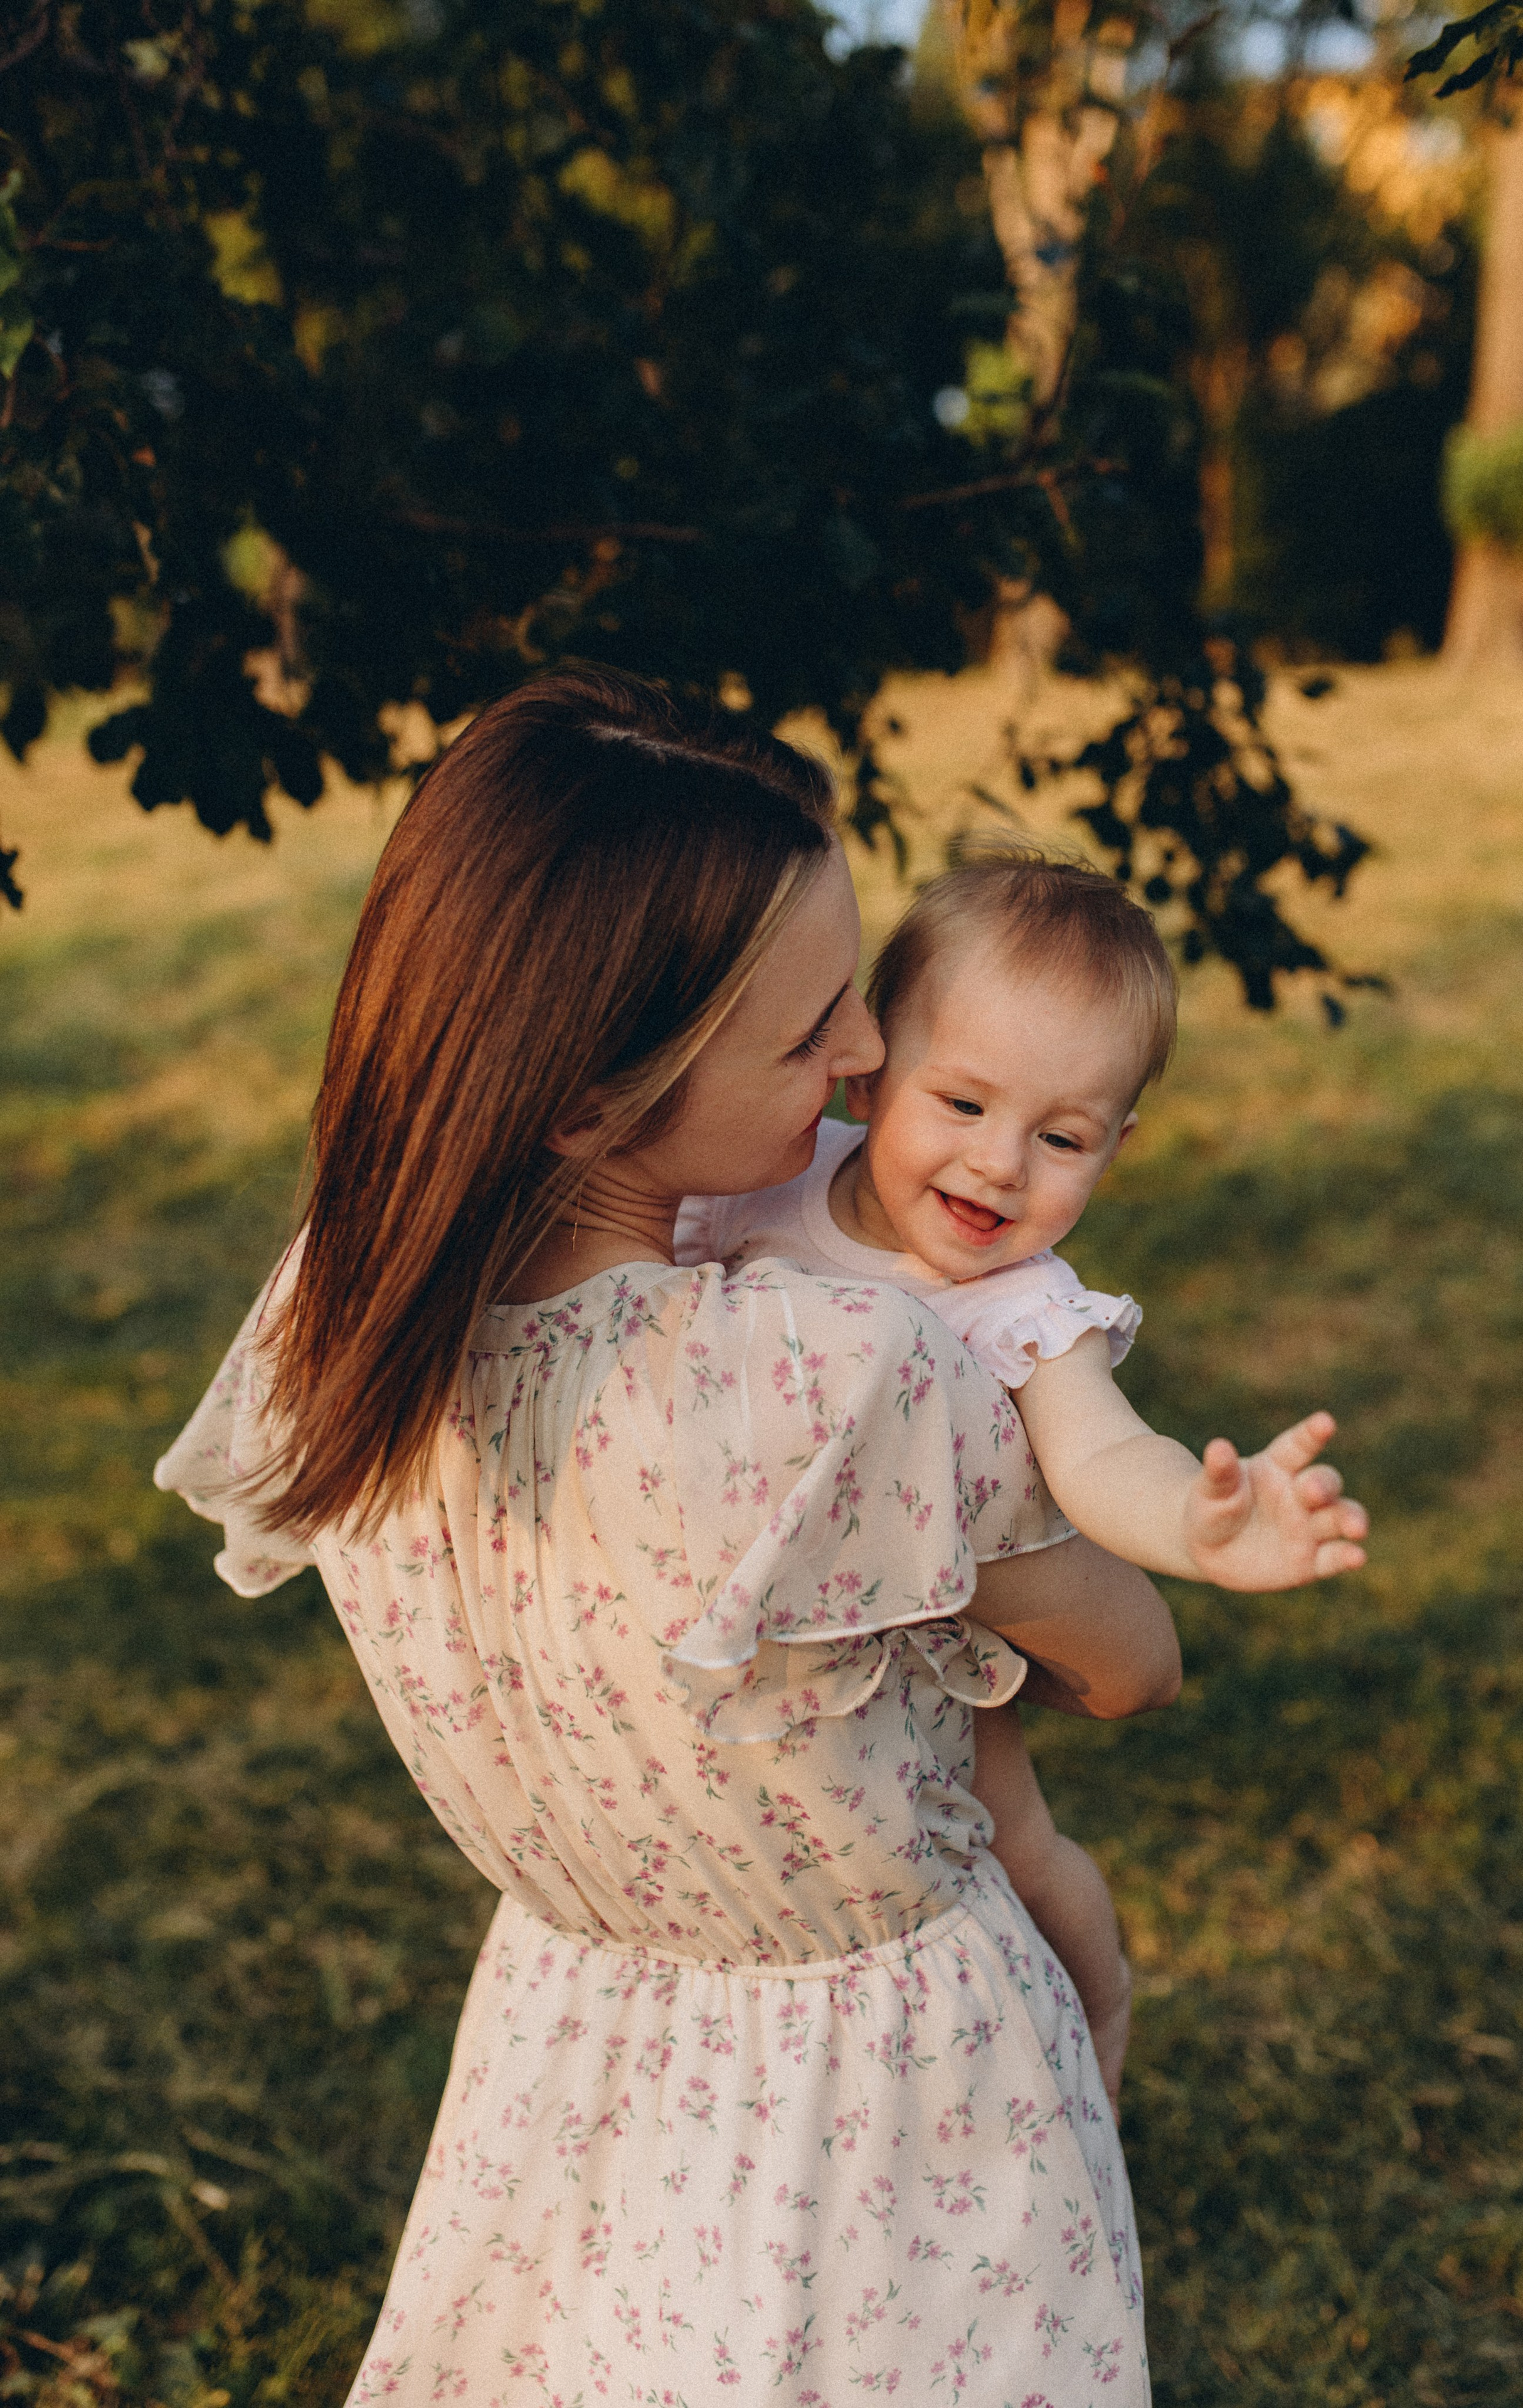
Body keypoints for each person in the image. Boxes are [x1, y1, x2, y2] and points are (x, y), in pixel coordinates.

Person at [156, 670, 1187, 2406]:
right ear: (585, 1098)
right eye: (807, 1038)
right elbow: (1133, 1663)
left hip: (576, 2047)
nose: (868, 1053)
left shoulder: (336, 1316)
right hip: (887, 2098)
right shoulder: (829, 1378)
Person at [676, 852, 1369, 2110]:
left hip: (925, 1643)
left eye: (1059, 1138)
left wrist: (1197, 1530)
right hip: (755, 1628)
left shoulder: (1021, 1307)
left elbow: (1100, 1452)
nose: (999, 1165)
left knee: (1010, 1845)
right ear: (870, 1064)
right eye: (960, 1105)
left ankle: (1095, 2011)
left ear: (1113, 1146)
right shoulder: (757, 1186)